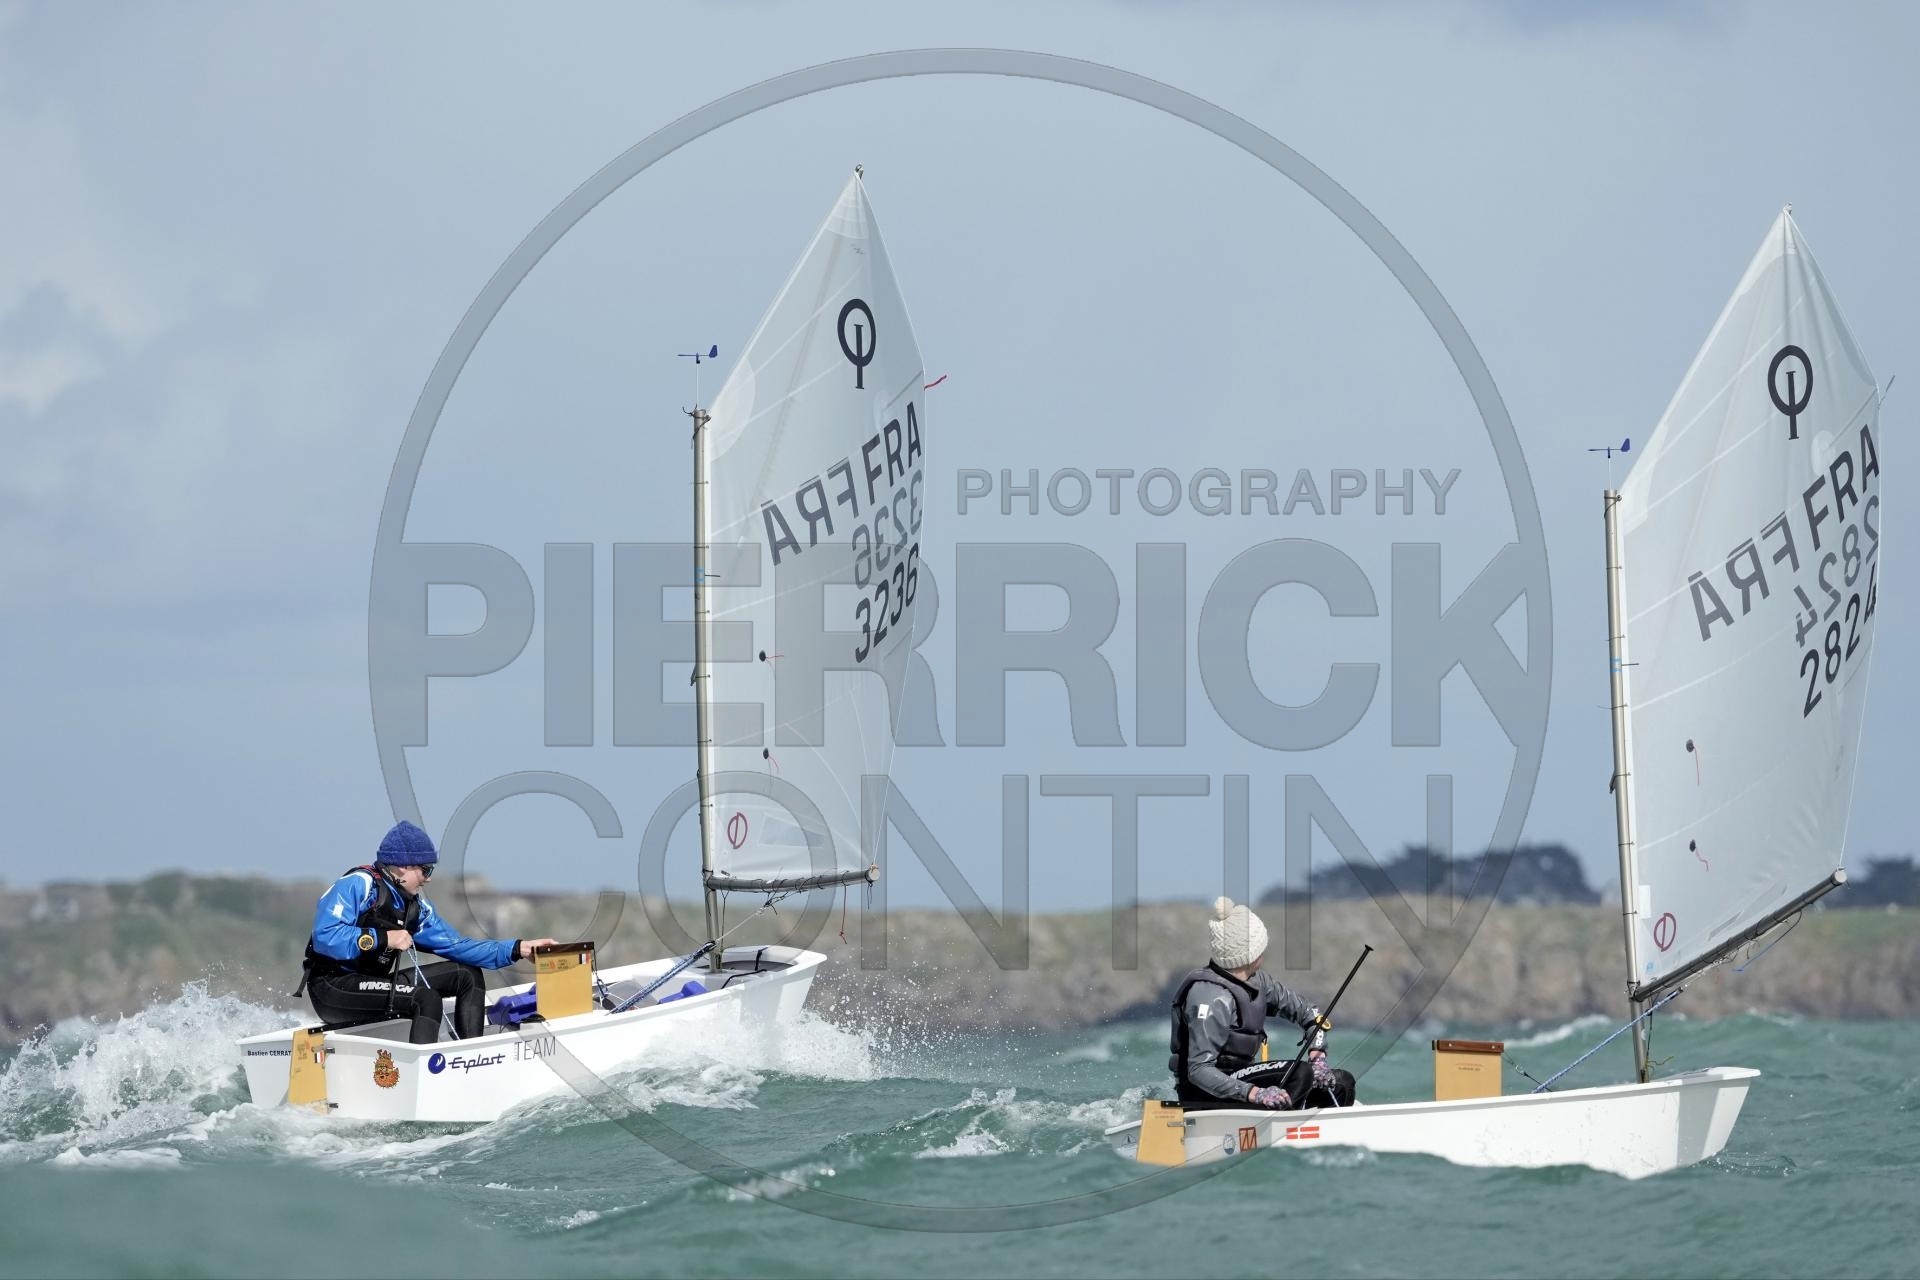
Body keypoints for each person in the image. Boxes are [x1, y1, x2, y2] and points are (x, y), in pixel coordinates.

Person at [294, 820, 557, 1044]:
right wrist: (383, 938)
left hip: (375, 986)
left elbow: (460, 947)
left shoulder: (415, 909)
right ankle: (428, 1070)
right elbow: (325, 937)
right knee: (427, 999)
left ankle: (471, 1055)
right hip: (332, 988)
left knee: (467, 974)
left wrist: (518, 948)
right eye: (425, 869)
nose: (428, 878)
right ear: (402, 866)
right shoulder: (358, 885)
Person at [1168, 897, 1356, 1111]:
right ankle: (1281, 1119)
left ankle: (1310, 1119)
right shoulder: (1210, 996)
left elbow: (1310, 1013)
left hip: (1244, 1080)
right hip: (1203, 1092)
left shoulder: (1259, 982)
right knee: (1300, 1073)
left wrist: (1318, 1056)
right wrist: (1255, 1093)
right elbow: (1199, 1070)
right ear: (1249, 954)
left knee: (1342, 1083)